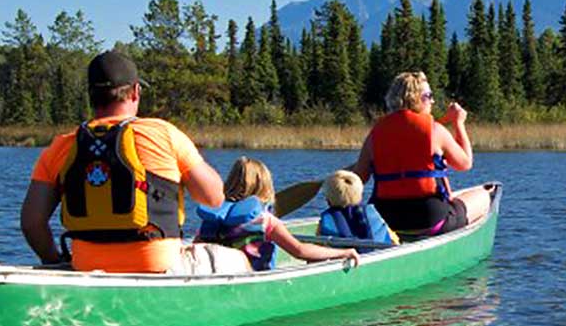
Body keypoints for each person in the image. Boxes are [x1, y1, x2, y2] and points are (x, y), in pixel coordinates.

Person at [20, 50, 226, 273]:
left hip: (87, 267)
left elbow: (32, 223)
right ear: (136, 91)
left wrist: (54, 260)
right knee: (236, 259)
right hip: (158, 265)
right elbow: (213, 198)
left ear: (91, 95)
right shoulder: (162, 134)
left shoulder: (61, 146)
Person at [348, 71, 489, 239]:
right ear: (415, 98)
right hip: (429, 220)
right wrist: (459, 123)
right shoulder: (435, 130)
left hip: (386, 220)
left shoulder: (376, 133)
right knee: (485, 195)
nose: (433, 101)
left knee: (458, 197)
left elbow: (359, 178)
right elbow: (465, 163)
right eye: (429, 95)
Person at [195, 156, 358, 272]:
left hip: (214, 273)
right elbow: (300, 251)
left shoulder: (213, 215)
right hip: (251, 276)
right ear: (264, 186)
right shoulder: (265, 220)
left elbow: (197, 247)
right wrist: (343, 252)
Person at [316, 170, 397, 245]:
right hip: (376, 254)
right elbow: (394, 241)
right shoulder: (373, 215)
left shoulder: (327, 221)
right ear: (360, 194)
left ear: (328, 199)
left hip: (343, 257)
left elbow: (319, 247)